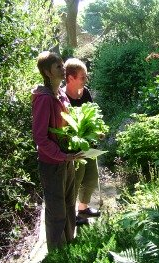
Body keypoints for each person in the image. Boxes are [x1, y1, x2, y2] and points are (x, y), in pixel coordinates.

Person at [31, 51, 84, 250]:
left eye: (63, 66)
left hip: (67, 159)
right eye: (58, 67)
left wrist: (88, 134)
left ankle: (70, 243)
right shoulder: (44, 99)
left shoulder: (61, 94)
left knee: (70, 203)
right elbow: (40, 137)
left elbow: (71, 124)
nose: (63, 70)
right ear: (46, 72)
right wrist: (62, 155)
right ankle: (57, 252)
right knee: (56, 210)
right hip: (52, 163)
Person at [63, 58, 103, 225]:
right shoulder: (62, 96)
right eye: (82, 77)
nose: (85, 80)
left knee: (91, 178)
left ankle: (82, 210)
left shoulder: (85, 92)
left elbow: (93, 115)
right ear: (70, 77)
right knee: (76, 181)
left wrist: (98, 131)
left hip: (89, 145)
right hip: (74, 149)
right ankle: (70, 216)